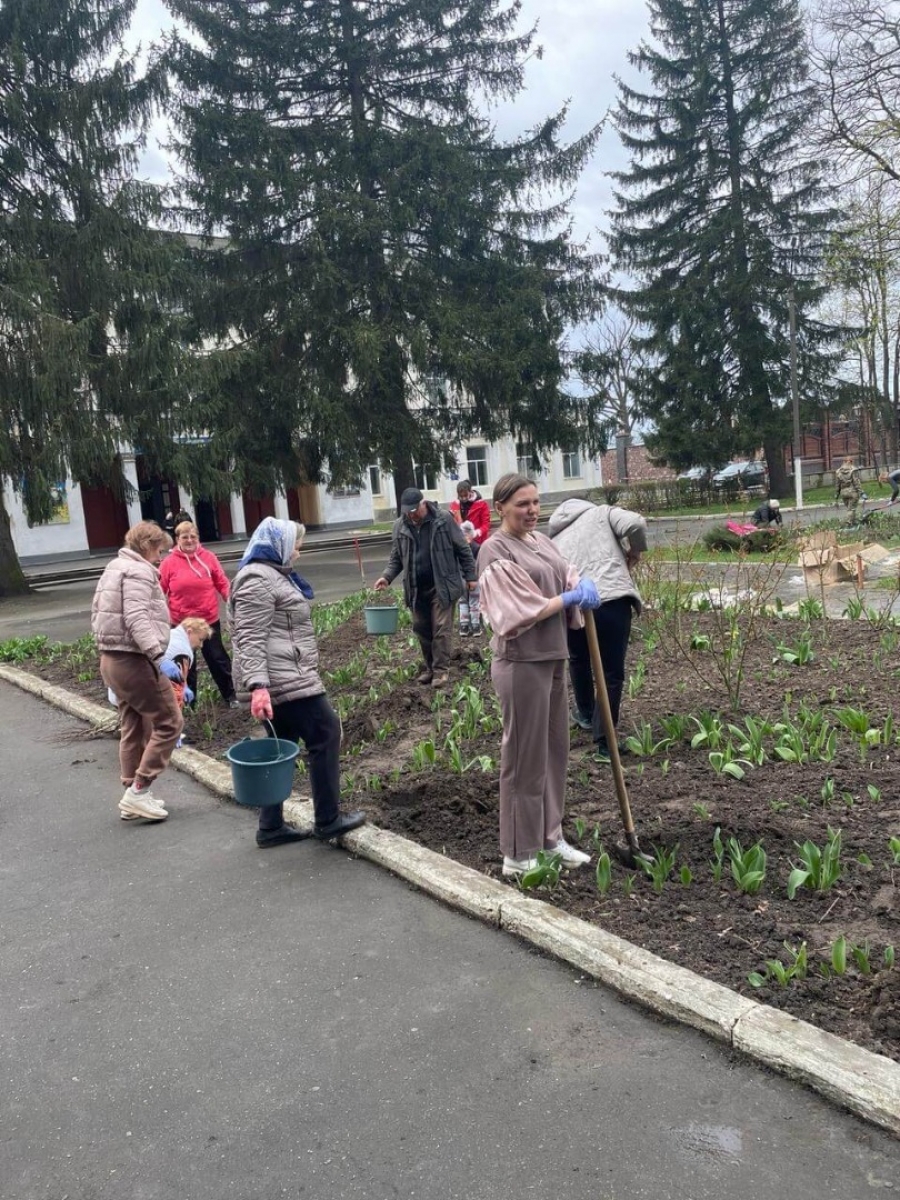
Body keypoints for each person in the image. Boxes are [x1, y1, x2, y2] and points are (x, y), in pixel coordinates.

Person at [477, 473, 602, 877]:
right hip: (521, 662)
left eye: (535, 503)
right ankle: (518, 850)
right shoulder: (494, 551)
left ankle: (551, 837)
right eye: (522, 505)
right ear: (501, 508)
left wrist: (578, 582)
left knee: (554, 753)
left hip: (552, 656)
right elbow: (517, 609)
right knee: (524, 757)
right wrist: (565, 598)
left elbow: (563, 569)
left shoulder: (540, 541)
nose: (532, 511)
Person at [228, 517, 366, 848]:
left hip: (285, 676)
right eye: (296, 546)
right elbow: (248, 637)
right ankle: (328, 819)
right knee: (326, 732)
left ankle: (271, 827)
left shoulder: (272, 576)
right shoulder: (257, 580)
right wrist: (258, 685)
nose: (299, 553)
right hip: (281, 681)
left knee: (284, 743)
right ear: (276, 546)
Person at [91, 521, 183, 822]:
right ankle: (140, 791)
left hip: (111, 660)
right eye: (159, 551)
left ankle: (131, 793)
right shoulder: (139, 571)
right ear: (146, 547)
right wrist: (159, 656)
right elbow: (136, 617)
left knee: (133, 724)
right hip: (134, 661)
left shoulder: (114, 567)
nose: (162, 557)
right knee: (170, 721)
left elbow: (97, 612)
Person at [548, 498, 647, 762]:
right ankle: (605, 742)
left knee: (579, 659)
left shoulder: (554, 535)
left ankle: (585, 714)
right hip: (612, 599)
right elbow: (636, 523)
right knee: (611, 673)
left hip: (575, 604)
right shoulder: (603, 513)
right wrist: (635, 553)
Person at [374, 487, 476, 687]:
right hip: (416, 588)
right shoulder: (399, 526)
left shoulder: (443, 520)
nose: (412, 515)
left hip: (443, 585)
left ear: (423, 503)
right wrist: (386, 577)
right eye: (408, 512)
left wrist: (471, 576)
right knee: (421, 629)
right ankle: (430, 668)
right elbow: (397, 558)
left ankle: (441, 671)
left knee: (441, 628)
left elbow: (463, 548)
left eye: (415, 510)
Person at [159, 521, 238, 707]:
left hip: (208, 621)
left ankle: (231, 695)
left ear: (198, 538)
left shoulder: (208, 557)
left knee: (218, 658)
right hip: (181, 624)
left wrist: (232, 601)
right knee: (186, 664)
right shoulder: (168, 563)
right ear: (177, 539)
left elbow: (222, 582)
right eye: (184, 537)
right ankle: (188, 701)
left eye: (193, 536)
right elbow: (158, 590)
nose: (189, 540)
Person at [163, 618, 212, 750]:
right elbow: (175, 693)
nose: (200, 646)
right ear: (189, 632)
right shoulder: (182, 651)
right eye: (200, 640)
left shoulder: (171, 634)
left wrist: (185, 686)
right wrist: (174, 729)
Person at [457, 520, 483, 637]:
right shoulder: (477, 547)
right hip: (474, 579)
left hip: (461, 579)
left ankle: (464, 626)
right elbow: (479, 564)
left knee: (463, 602)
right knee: (474, 602)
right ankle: (476, 626)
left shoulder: (457, 549)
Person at [449, 480, 492, 544]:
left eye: (466, 495)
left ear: (470, 492)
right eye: (461, 496)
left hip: (478, 542)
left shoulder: (482, 504)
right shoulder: (454, 505)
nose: (463, 498)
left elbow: (486, 525)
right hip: (461, 543)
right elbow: (452, 524)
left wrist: (475, 533)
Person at [835, 457, 863, 523]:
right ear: (852, 461)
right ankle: (849, 524)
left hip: (843, 493)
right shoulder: (853, 470)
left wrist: (836, 494)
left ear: (843, 462)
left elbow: (837, 484)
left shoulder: (838, 471)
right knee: (851, 509)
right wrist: (861, 491)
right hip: (852, 492)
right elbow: (856, 482)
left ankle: (853, 521)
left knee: (849, 509)